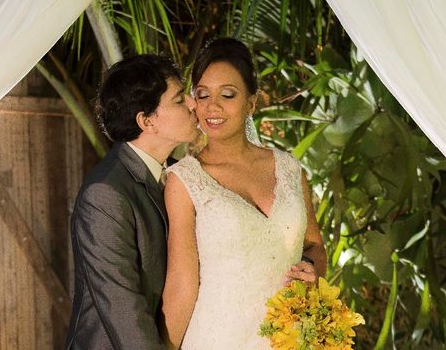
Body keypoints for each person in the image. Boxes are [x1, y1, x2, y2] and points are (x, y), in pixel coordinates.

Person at [161, 38, 327, 349]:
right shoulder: (184, 180)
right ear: (193, 102)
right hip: (218, 338)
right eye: (203, 94)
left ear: (251, 103)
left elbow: (314, 244)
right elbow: (182, 283)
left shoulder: (289, 169)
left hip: (289, 337)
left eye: (227, 94)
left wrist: (314, 270)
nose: (213, 106)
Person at [65, 55, 198, 350]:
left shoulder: (181, 174)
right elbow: (124, 309)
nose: (193, 104)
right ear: (146, 121)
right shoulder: (105, 195)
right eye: (179, 99)